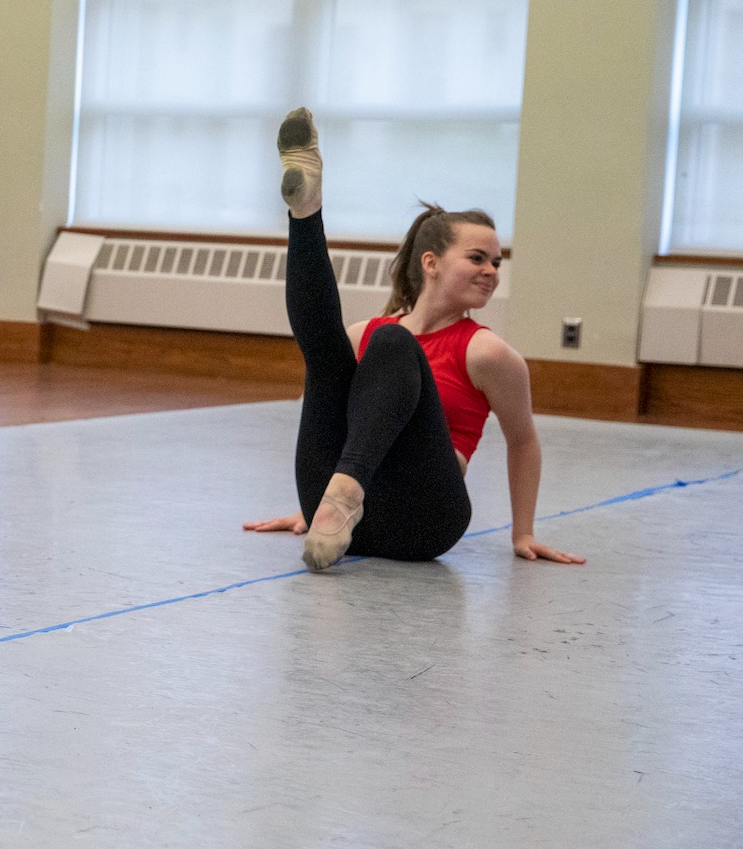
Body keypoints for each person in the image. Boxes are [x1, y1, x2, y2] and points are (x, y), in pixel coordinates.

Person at [242, 108, 585, 573]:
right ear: (431, 263)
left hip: (424, 521)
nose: (491, 272)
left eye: (497, 263)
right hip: (340, 518)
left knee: (392, 343)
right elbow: (323, 419)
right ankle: (306, 213)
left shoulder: (487, 353)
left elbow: (522, 440)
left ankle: (344, 491)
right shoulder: (366, 334)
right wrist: (310, 506)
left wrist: (522, 532)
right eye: (478, 258)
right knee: (341, 351)